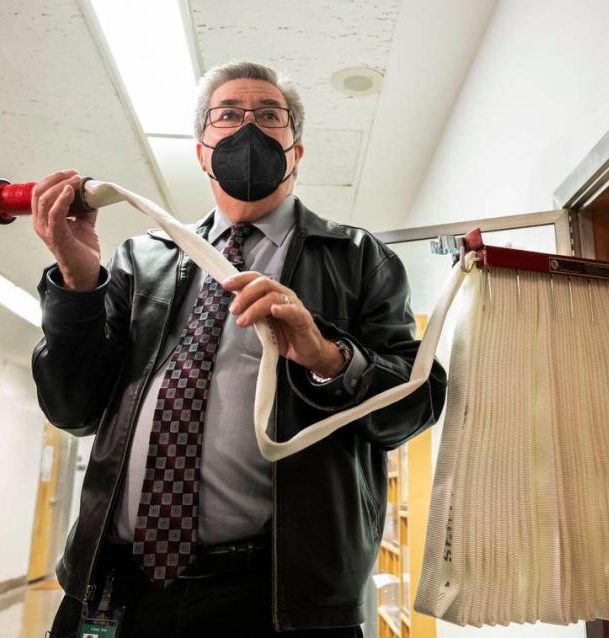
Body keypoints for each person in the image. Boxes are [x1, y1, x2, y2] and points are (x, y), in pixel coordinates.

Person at [33, 60, 447, 636]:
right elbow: (72, 408)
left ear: (296, 150)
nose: (247, 127)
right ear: (202, 151)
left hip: (279, 600)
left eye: (269, 116)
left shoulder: (359, 259)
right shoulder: (141, 259)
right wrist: (78, 289)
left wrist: (327, 356)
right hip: (115, 590)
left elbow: (413, 406)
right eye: (227, 115)